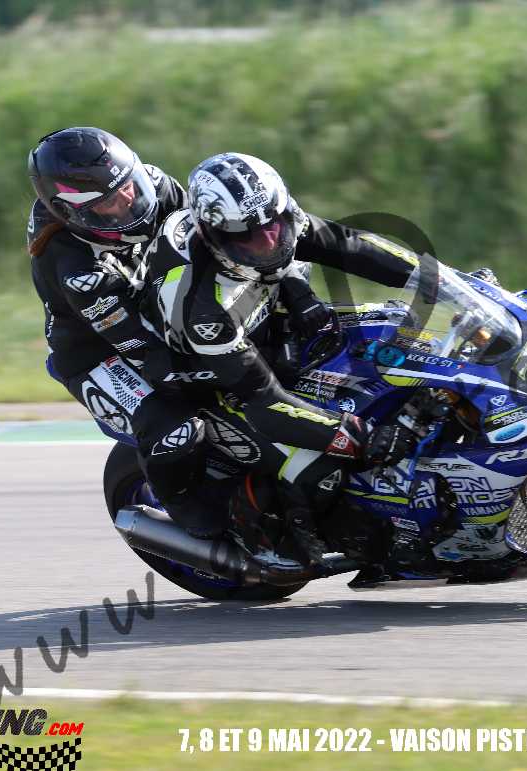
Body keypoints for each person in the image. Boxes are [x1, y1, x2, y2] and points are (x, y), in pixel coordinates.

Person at [140, 152, 428, 564]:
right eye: (248, 238)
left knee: (394, 341)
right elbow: (264, 402)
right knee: (323, 471)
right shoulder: (203, 307)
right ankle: (260, 530)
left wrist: (439, 278)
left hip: (262, 320)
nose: (268, 244)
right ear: (214, 236)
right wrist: (359, 436)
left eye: (273, 227)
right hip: (211, 378)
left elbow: (350, 245)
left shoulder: (270, 216)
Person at [26, 126, 207, 524]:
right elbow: (139, 346)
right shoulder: (74, 265)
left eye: (128, 185)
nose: (128, 199)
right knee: (174, 426)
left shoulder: (152, 185)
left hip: (154, 303)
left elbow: (206, 235)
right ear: (74, 212)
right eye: (110, 202)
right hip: (99, 352)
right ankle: (191, 516)